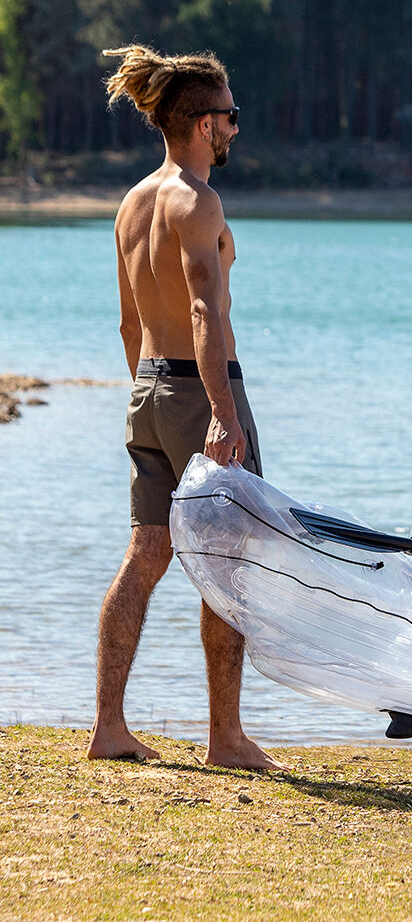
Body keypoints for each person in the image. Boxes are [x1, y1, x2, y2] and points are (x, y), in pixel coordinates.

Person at [87, 44, 281, 770]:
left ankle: (109, 727)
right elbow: (204, 308)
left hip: (146, 389)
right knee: (229, 562)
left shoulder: (132, 204)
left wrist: (149, 397)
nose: (236, 127)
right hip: (202, 392)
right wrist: (221, 414)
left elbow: (127, 323)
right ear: (203, 125)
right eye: (230, 115)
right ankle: (225, 739)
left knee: (146, 555)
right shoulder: (197, 201)